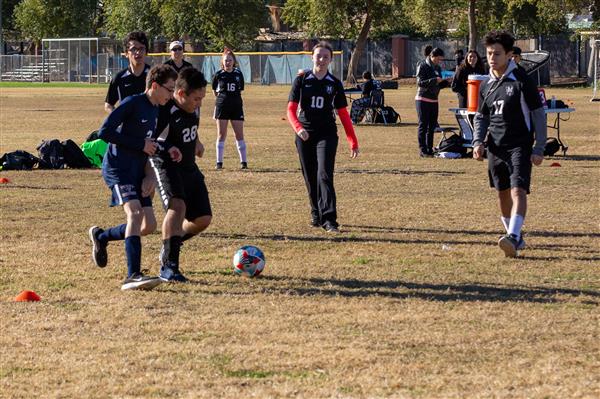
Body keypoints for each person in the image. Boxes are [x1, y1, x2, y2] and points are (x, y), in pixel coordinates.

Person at [89, 65, 179, 290]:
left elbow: (149, 144)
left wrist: (163, 156)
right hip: (119, 169)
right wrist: (141, 145)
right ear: (155, 86)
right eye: (169, 90)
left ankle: (101, 237)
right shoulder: (132, 103)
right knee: (135, 214)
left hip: (139, 170)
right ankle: (133, 275)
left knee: (148, 225)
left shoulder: (156, 109)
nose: (172, 95)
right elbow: (105, 132)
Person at [472, 31, 547, 257]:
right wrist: (477, 141)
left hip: (519, 146)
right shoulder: (487, 85)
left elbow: (538, 114)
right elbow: (481, 116)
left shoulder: (522, 80)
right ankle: (514, 237)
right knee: (502, 193)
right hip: (495, 148)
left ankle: (513, 236)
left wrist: (539, 147)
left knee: (518, 190)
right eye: (489, 53)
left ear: (509, 55)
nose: (492, 58)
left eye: (497, 53)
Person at [286, 41, 360, 233]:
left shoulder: (334, 84)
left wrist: (352, 140)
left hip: (326, 134)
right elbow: (291, 110)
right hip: (304, 135)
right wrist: (298, 128)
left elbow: (343, 114)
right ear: (312, 57)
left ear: (330, 60)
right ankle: (316, 213)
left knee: (324, 174)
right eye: (318, 55)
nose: (321, 59)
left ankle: (329, 219)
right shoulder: (301, 80)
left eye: (325, 56)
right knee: (310, 176)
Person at [150, 68, 212, 282]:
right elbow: (152, 140)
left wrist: (196, 141)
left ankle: (171, 243)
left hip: (189, 166)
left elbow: (190, 127)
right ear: (180, 94)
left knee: (203, 219)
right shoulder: (165, 111)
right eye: (197, 98)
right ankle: (169, 266)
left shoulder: (193, 106)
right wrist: (167, 150)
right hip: (166, 165)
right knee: (177, 207)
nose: (200, 103)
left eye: (202, 98)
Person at [212, 49, 247, 169]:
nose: (228, 62)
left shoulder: (238, 74)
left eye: (230, 60)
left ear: (233, 61)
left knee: (239, 134)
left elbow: (241, 89)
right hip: (222, 106)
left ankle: (244, 162)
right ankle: (219, 163)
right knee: (221, 134)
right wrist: (221, 101)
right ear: (222, 61)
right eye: (226, 60)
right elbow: (214, 90)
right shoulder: (218, 74)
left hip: (236, 106)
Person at [415, 47, 452, 157]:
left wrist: (446, 82)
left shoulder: (438, 68)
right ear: (432, 56)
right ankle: (423, 150)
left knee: (432, 126)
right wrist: (434, 80)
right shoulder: (422, 65)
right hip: (422, 99)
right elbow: (420, 83)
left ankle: (430, 149)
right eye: (438, 59)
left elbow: (439, 86)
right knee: (423, 125)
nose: (439, 61)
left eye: (441, 60)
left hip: (434, 100)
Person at [105, 31, 151, 113]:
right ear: (126, 53)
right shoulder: (119, 78)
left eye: (141, 48)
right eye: (134, 49)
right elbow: (108, 105)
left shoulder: (155, 76)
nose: (138, 52)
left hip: (150, 125)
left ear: (146, 52)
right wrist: (119, 117)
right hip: (127, 126)